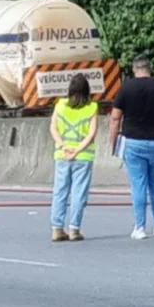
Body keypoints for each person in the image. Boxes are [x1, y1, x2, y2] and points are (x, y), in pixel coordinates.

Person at [108, 55, 154, 240]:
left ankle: (139, 228)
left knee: (138, 184)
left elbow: (115, 118)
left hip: (133, 143)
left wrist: (113, 142)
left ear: (134, 69)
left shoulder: (126, 88)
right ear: (150, 68)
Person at [49, 74, 99, 242]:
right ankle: (74, 230)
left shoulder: (60, 105)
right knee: (79, 193)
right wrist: (77, 150)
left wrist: (63, 146)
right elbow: (91, 134)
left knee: (60, 191)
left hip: (62, 155)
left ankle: (57, 229)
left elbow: (53, 128)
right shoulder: (92, 107)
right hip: (83, 156)